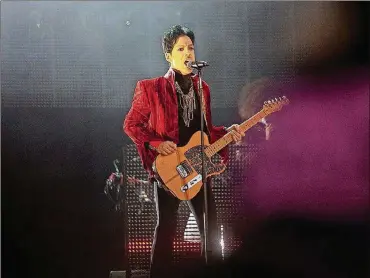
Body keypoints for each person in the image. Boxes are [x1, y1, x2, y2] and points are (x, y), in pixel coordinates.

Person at [123, 25, 244, 278]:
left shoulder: (203, 88)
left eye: (190, 47)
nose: (188, 52)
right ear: (169, 55)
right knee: (166, 226)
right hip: (169, 166)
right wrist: (156, 144)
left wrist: (228, 132)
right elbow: (131, 124)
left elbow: (206, 131)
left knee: (209, 226)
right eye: (181, 48)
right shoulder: (151, 88)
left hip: (198, 164)